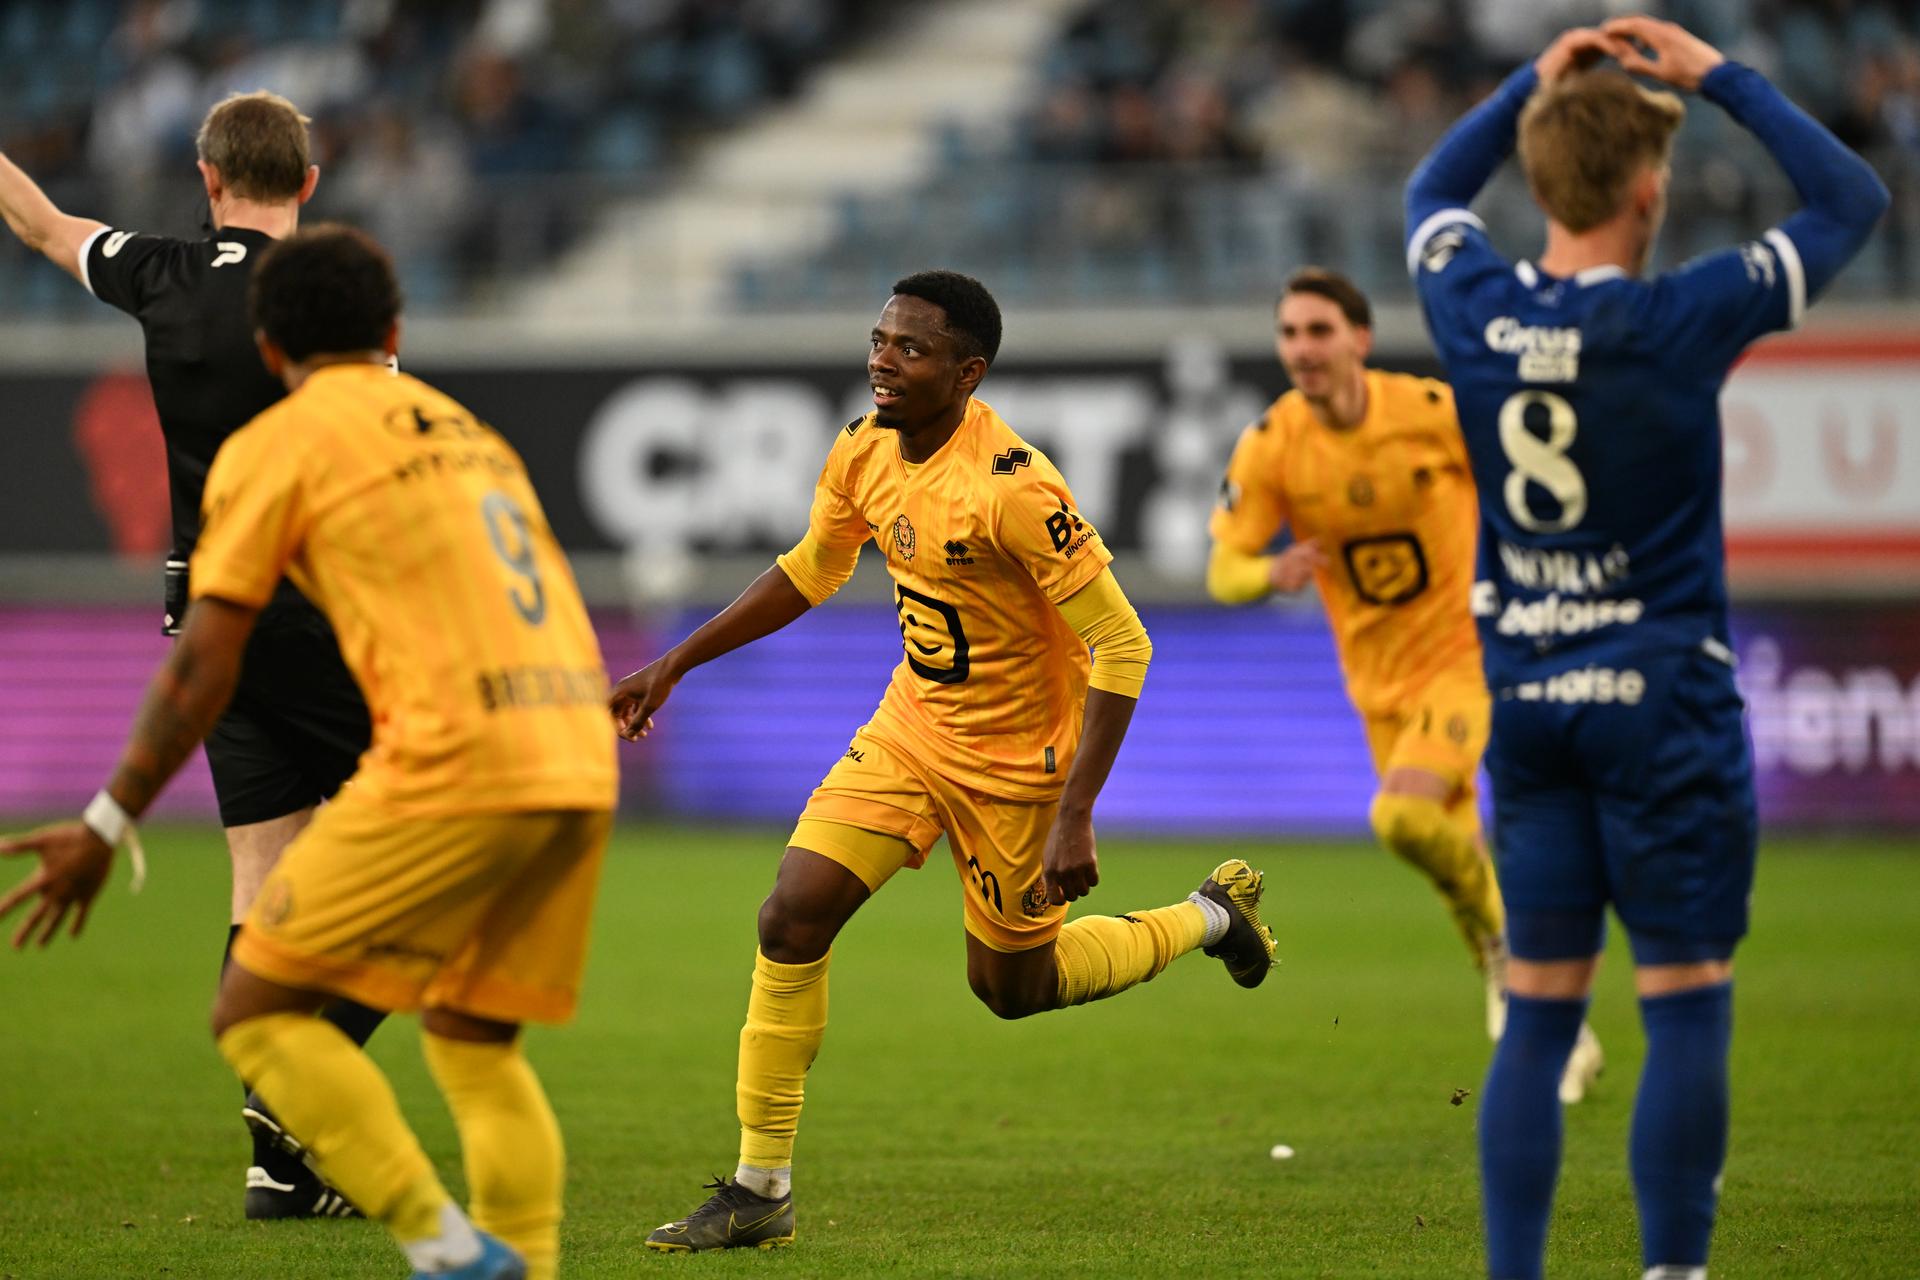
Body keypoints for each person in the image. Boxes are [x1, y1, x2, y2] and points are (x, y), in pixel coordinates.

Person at [610, 269, 1278, 1253]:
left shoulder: (1016, 489)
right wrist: (675, 661)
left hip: (1018, 768)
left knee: (1012, 989)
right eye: (880, 340)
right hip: (913, 730)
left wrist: (1076, 811)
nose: (883, 361)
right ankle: (759, 1187)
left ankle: (1211, 914)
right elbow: (812, 568)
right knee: (792, 913)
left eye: (911, 349)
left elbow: (1123, 642)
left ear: (968, 373)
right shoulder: (862, 447)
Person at [1, 224, 618, 1280]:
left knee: (256, 1012)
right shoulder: (471, 432)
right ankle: (519, 1263)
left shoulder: (278, 444)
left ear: (270, 347)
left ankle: (445, 1247)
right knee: (475, 1040)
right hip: (573, 752)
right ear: (394, 331)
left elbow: (203, 664)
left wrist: (106, 822)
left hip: (454, 759)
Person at [1404, 17, 1888, 1280]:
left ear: (1540, 177)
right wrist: (1722, 76)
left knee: (1538, 1011)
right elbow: (1853, 198)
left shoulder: (1474, 306)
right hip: (1661, 699)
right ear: (1648, 190)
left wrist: (1532, 80)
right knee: (1684, 996)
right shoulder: (1684, 313)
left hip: (1531, 702)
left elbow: (1430, 194)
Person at [0, 91, 380, 1218]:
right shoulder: (330, 293)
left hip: (210, 621)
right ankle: (292, 1085)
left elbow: (40, 223)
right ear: (309, 182)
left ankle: (279, 1170)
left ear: (207, 178)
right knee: (456, 845)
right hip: (315, 614)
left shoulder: (157, 271)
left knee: (264, 873)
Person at [1207, 267, 1602, 1102]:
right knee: (1445, 845)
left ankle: (1520, 967)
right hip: (1376, 687)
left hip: (1466, 657)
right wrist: (1270, 571)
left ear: (1360, 338)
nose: (1303, 349)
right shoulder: (1273, 444)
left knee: (1403, 816)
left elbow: (1530, 484)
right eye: (1290, 333)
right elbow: (1224, 569)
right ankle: (1530, 993)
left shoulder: (1429, 412)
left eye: (1319, 330)